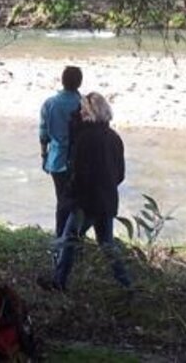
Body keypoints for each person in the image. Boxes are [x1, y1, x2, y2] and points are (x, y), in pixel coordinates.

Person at [39, 92, 132, 291]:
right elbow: (120, 174)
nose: (79, 113)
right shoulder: (115, 138)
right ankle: (127, 285)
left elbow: (79, 174)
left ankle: (59, 282)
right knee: (107, 245)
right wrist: (106, 187)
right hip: (107, 199)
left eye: (82, 109)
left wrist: (70, 197)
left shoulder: (85, 139)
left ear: (90, 112)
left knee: (68, 241)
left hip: (86, 202)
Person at [40, 66, 83, 237]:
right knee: (79, 201)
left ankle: (60, 238)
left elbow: (43, 134)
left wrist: (44, 155)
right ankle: (75, 236)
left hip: (57, 159)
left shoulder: (49, 103)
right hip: (81, 159)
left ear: (62, 81)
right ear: (80, 82)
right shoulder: (84, 103)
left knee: (62, 200)